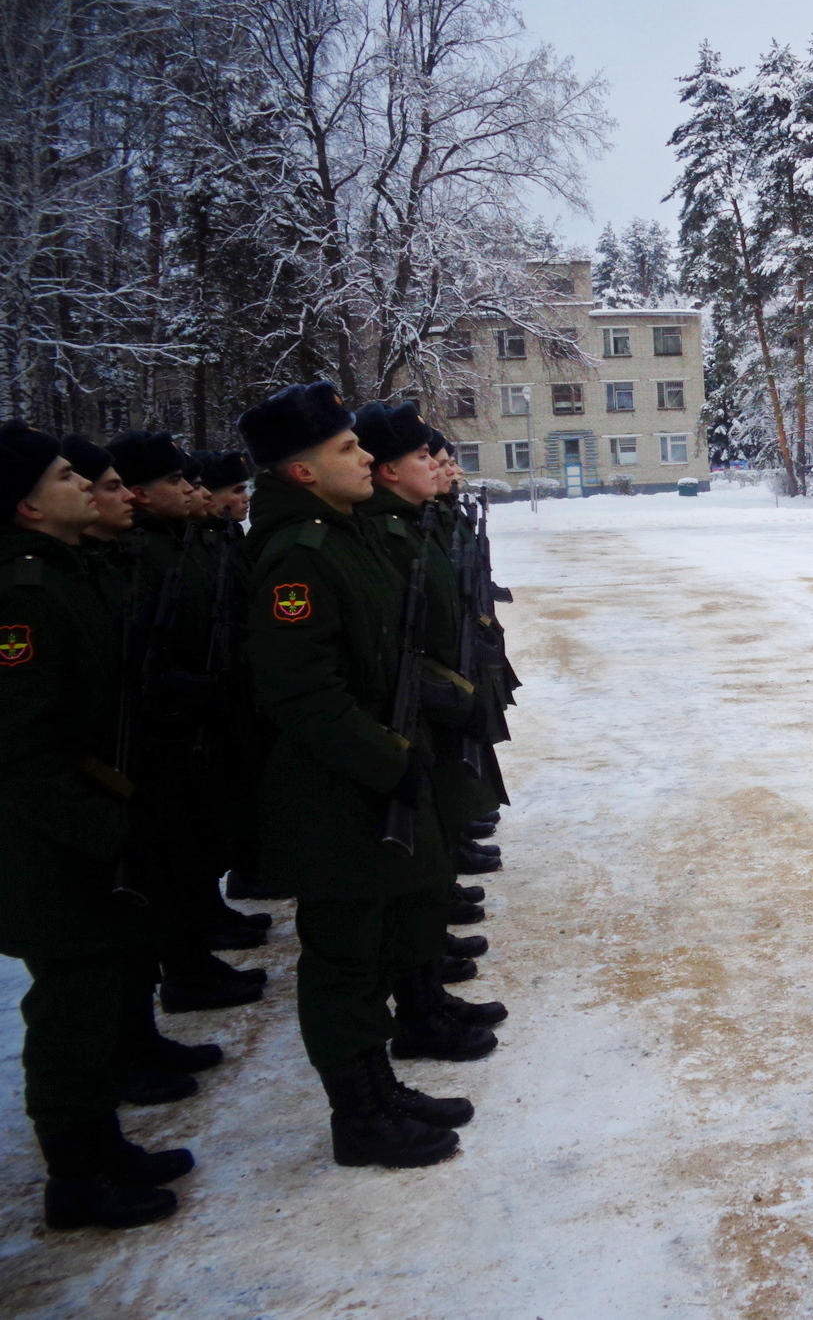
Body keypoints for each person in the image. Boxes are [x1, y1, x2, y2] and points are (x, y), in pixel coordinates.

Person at [238, 382, 466, 1169]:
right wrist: (388, 761)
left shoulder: (343, 536)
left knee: (369, 948)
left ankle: (380, 1087)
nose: (364, 455)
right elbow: (301, 694)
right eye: (346, 449)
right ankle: (359, 1116)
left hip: (371, 773)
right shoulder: (297, 559)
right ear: (301, 472)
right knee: (342, 960)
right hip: (333, 790)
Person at [0, 422, 195, 1231]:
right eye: (61, 477)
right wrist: (102, 832)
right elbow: (20, 751)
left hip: (98, 829)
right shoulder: (22, 597)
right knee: (72, 1013)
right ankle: (74, 1178)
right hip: (56, 850)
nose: (84, 481)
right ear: (27, 510)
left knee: (108, 992)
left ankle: (102, 1144)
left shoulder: (70, 574)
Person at [352, 401, 507, 1060]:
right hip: (406, 724)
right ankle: (416, 1011)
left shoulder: (412, 524)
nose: (444, 468)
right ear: (389, 470)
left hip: (433, 713)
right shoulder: (379, 534)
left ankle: (426, 996)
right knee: (409, 872)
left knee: (431, 856)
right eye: (428, 458)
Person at [108, 430, 267, 1016]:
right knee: (171, 853)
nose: (195, 491)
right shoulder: (142, 553)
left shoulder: (185, 543)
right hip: (165, 733)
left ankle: (200, 940)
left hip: (205, 714)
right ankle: (185, 966)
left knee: (197, 841)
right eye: (179, 481)